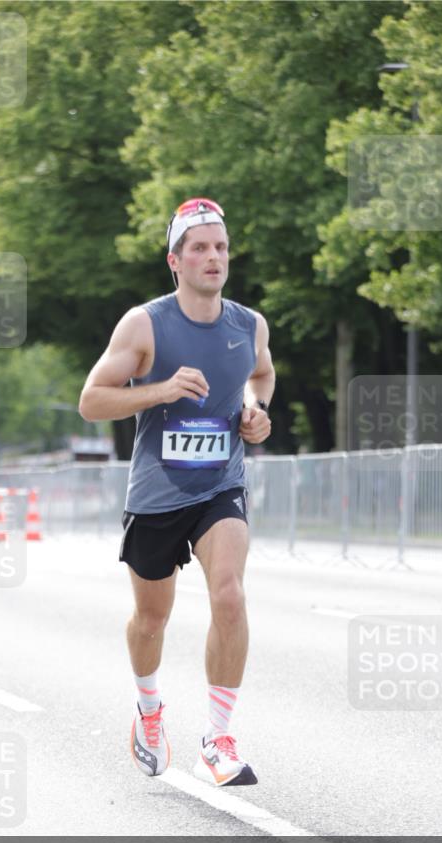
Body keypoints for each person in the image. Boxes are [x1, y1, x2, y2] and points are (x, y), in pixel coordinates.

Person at [79, 197, 275, 786]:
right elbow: (92, 401)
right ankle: (148, 711)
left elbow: (261, 373)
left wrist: (253, 408)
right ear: (176, 260)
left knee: (231, 596)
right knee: (150, 619)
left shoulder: (249, 325)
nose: (213, 257)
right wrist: (159, 391)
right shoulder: (145, 324)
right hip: (157, 494)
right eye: (199, 248)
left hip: (220, 485)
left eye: (220, 247)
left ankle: (217, 740)